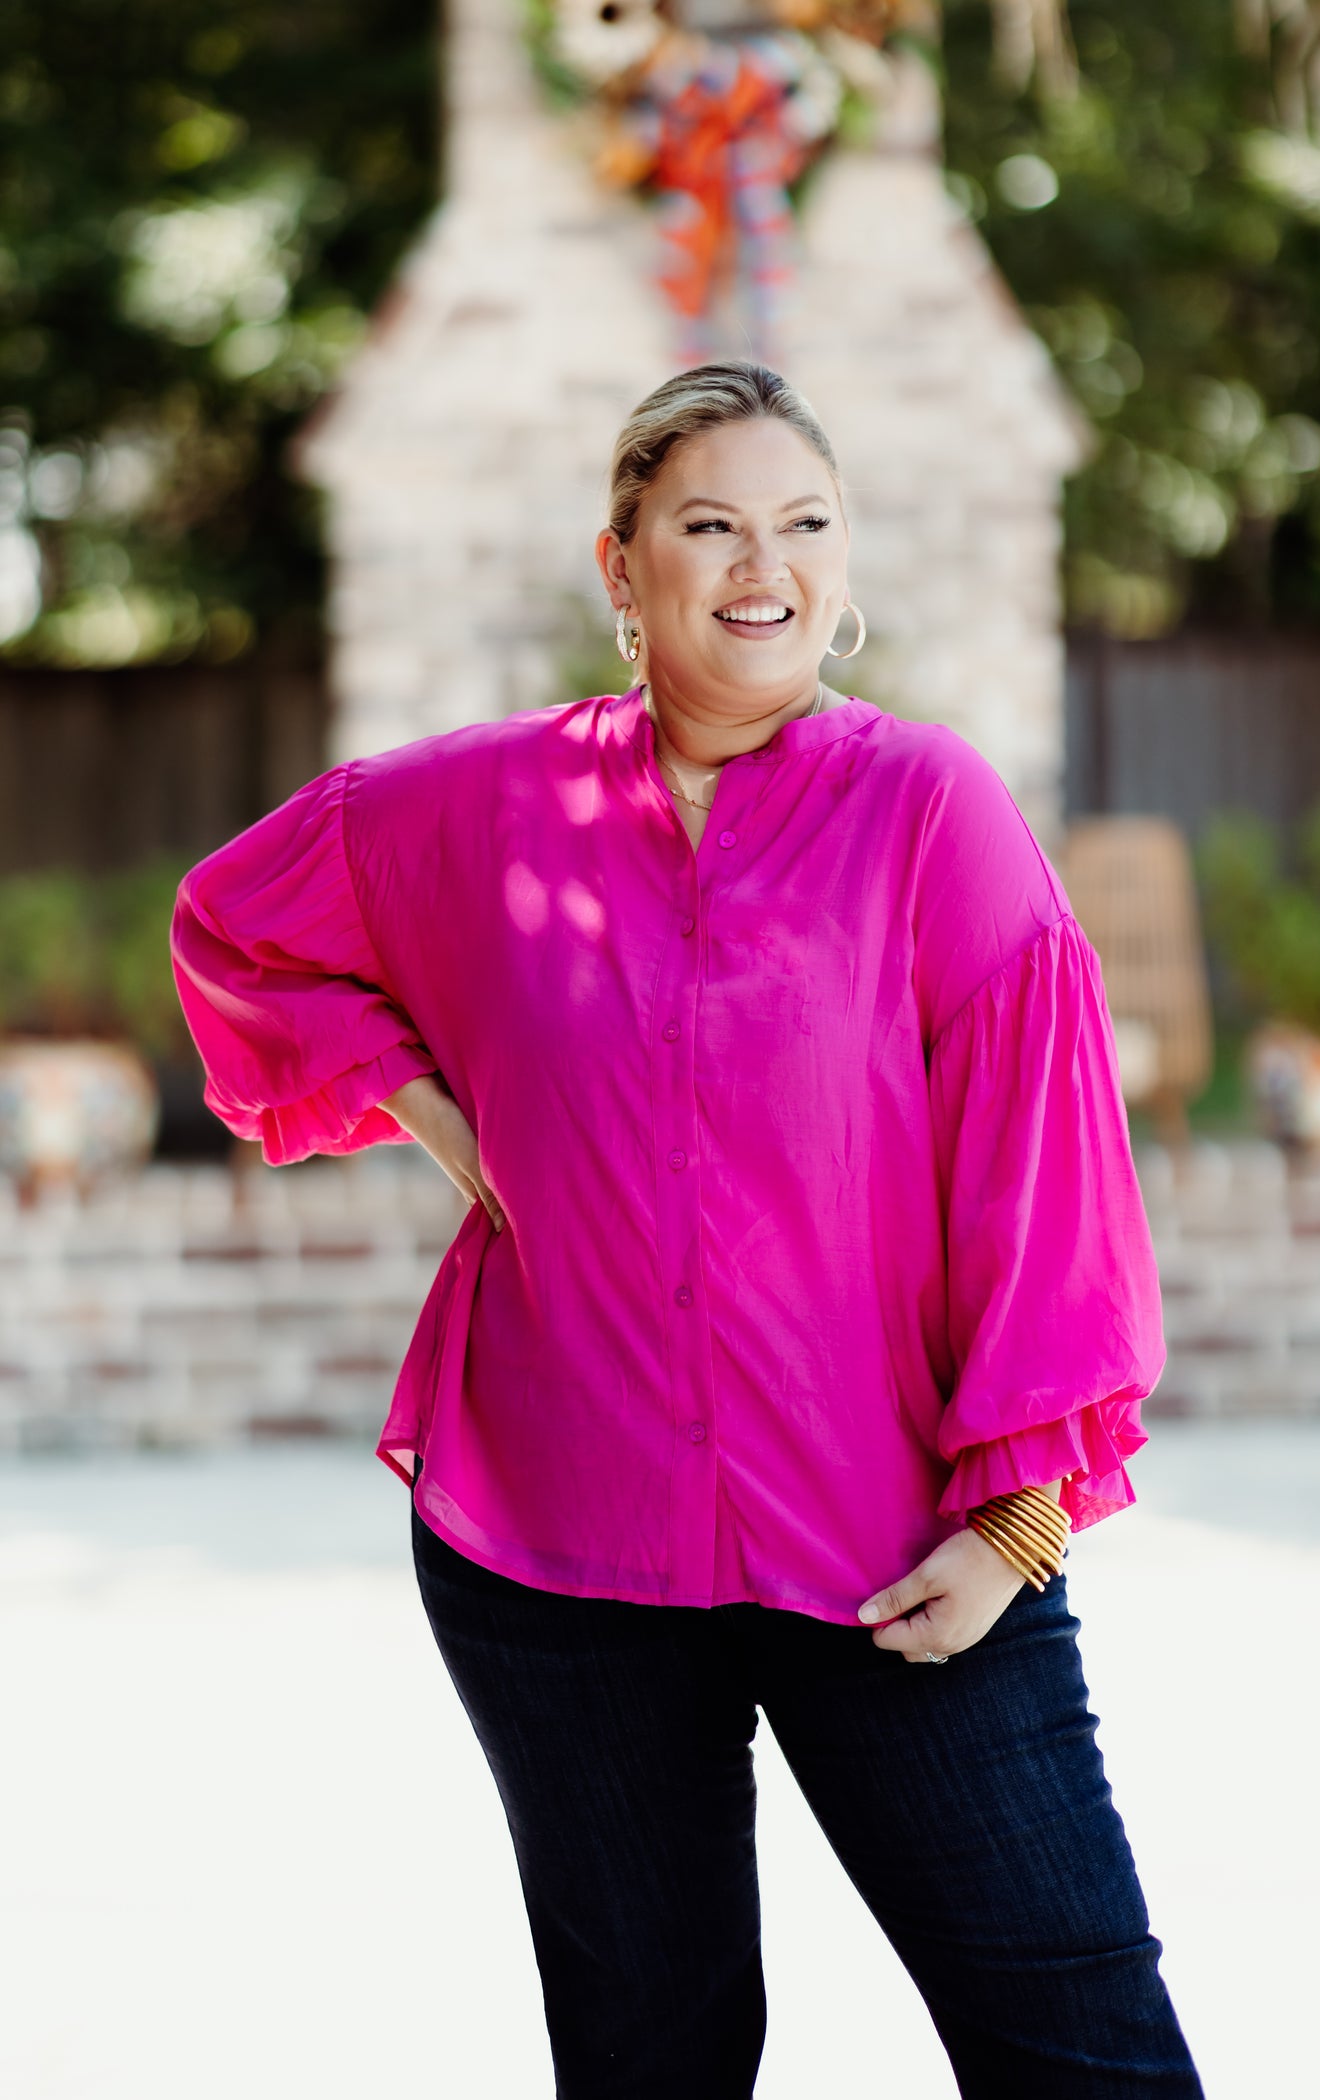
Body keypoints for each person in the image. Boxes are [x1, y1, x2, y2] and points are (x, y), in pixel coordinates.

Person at [171, 360, 1203, 2099]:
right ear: (621, 569)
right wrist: (426, 1105)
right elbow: (233, 921)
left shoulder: (930, 813)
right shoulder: (481, 811)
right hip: (558, 1553)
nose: (762, 563)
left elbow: (1049, 1176)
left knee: (1079, 2040)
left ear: (844, 562)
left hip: (902, 1553)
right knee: (652, 2059)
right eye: (710, 523)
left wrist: (1019, 1522)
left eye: (805, 523)